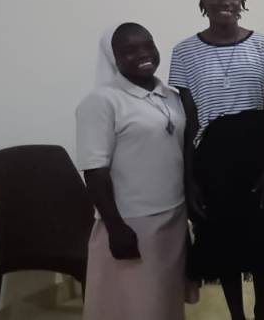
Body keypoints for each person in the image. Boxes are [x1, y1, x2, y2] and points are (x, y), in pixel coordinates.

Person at [169, 0, 264, 320]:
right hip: (214, 159)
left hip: (258, 153)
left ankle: (261, 307)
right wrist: (189, 178)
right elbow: (189, 120)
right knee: (224, 240)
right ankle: (237, 315)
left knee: (262, 237)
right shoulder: (183, 52)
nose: (224, 2)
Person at [76, 23, 186, 320]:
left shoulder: (171, 95)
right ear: (113, 58)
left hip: (173, 216)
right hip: (131, 221)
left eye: (148, 45)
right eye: (129, 50)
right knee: (132, 305)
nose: (143, 54)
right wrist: (115, 227)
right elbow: (95, 171)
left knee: (164, 302)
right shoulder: (101, 102)